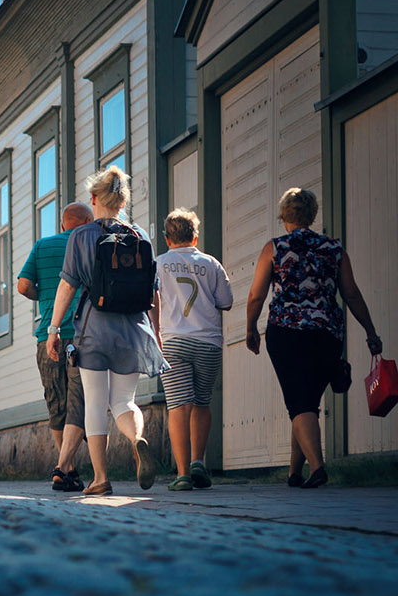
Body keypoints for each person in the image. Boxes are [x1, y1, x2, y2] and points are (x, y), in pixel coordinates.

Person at [245, 187, 383, 488]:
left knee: (298, 401)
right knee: (306, 400)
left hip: (287, 333)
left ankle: (318, 468)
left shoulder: (275, 247)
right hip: (326, 335)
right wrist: (370, 332)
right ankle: (294, 473)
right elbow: (351, 293)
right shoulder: (334, 249)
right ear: (312, 215)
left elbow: (256, 295)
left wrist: (251, 327)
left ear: (284, 216)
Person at [45, 166, 167, 495]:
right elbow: (153, 293)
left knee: (96, 404)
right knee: (125, 401)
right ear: (123, 201)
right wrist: (156, 334)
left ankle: (100, 478)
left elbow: (67, 287)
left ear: (95, 199)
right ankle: (137, 439)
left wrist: (54, 329)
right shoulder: (140, 235)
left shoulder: (81, 236)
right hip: (134, 330)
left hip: (93, 331)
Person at [18, 201, 92, 492]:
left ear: (62, 224)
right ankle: (65, 468)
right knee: (79, 402)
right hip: (83, 334)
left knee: (56, 404)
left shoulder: (42, 245)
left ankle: (68, 470)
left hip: (47, 337)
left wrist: (46, 297)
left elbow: (23, 286)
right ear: (86, 222)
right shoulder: (90, 246)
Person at [156, 209, 233, 491]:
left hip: (173, 341)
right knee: (202, 401)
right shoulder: (211, 264)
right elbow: (226, 301)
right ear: (195, 237)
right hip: (208, 341)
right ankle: (199, 461)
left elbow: (150, 302)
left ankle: (183, 473)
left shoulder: (159, 264)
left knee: (178, 405)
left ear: (167, 239)